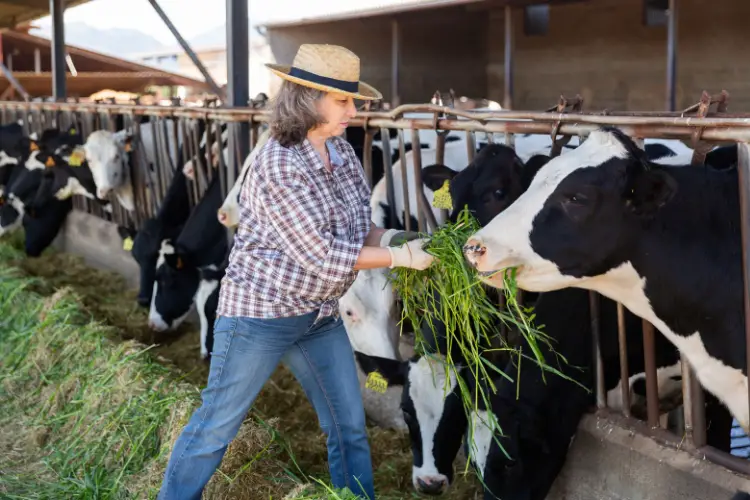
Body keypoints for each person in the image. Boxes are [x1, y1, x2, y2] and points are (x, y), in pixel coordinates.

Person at [157, 43, 435, 500]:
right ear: (308, 98)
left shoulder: (342, 154)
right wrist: (401, 260)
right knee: (216, 429)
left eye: (353, 100)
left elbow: (355, 228)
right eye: (343, 100)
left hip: (319, 315)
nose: (353, 109)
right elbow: (324, 256)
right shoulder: (279, 163)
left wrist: (394, 240)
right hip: (258, 319)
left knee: (348, 429)